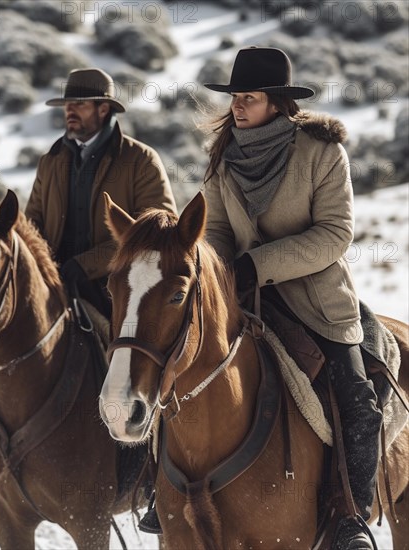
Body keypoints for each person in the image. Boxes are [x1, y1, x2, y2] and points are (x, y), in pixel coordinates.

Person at [202, 47, 382, 549]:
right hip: (236, 299)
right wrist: (215, 270)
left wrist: (255, 266)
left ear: (278, 103)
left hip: (316, 304)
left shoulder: (322, 152)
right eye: (235, 97)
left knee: (359, 403)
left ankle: (350, 519)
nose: (237, 106)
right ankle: (165, 493)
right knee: (170, 369)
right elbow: (216, 228)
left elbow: (334, 234)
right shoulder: (221, 155)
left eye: (249, 98)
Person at [25, 68, 176, 319]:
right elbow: (31, 225)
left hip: (118, 287)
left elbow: (157, 232)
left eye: (80, 104)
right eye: (67, 104)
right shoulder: (49, 161)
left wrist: (85, 266)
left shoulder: (141, 160)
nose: (70, 111)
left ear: (103, 109)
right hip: (53, 285)